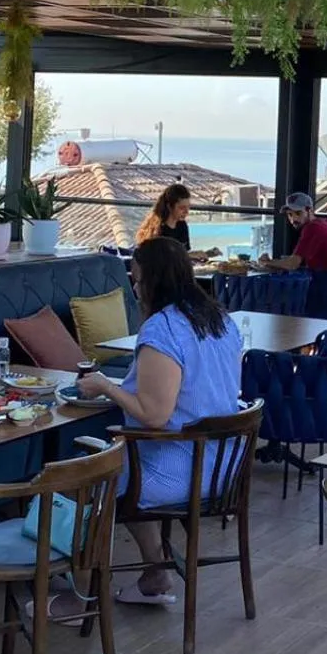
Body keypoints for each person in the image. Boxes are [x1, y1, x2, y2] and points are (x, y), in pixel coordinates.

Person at [76, 237, 243, 606]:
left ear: (153, 281)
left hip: (183, 470)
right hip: (224, 467)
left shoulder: (161, 330)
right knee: (124, 464)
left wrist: (105, 386)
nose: (134, 289)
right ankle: (155, 572)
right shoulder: (220, 321)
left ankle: (78, 596)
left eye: (136, 280)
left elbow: (155, 415)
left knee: (88, 478)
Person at [257, 192, 327, 273]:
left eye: (298, 213)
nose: (293, 219)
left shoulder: (313, 228)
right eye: (290, 214)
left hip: (326, 284)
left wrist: (266, 263)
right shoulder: (323, 223)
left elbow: (292, 264)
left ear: (310, 211)